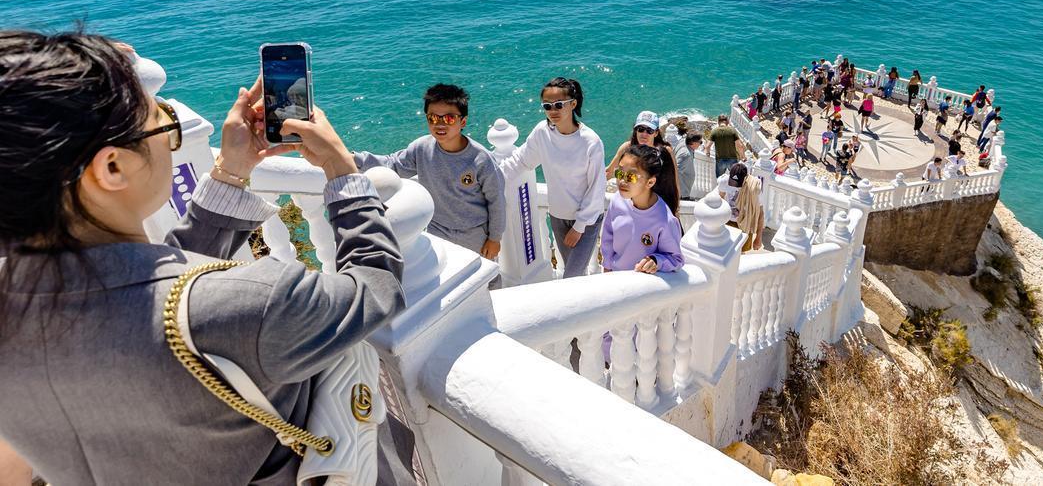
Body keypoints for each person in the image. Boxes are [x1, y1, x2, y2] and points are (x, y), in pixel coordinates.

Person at [0, 30, 410, 485]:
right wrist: (342, 172)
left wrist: (231, 172)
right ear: (112, 168)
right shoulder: (257, 304)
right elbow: (376, 288)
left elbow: (149, 290)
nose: (170, 136)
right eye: (163, 122)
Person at [354, 83, 505, 260]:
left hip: (474, 234)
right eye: (433, 118)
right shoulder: (421, 148)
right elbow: (392, 164)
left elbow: (497, 201)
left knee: (486, 279)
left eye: (448, 118)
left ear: (462, 121)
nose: (440, 124)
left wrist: (495, 238)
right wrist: (355, 159)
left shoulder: (481, 159)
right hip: (436, 229)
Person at [500, 77, 607, 278]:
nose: (553, 111)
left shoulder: (591, 141)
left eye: (559, 105)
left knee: (572, 276)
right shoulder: (542, 132)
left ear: (573, 104)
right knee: (573, 272)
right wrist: (490, 178)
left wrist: (579, 226)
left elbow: (596, 189)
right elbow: (520, 161)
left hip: (587, 220)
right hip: (558, 217)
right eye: (547, 106)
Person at [602, 145, 684, 274]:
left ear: (650, 182)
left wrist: (656, 261)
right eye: (619, 173)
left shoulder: (665, 220)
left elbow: (676, 259)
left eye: (631, 176)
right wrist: (607, 267)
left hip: (643, 288)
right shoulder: (617, 200)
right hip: (614, 279)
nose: (622, 180)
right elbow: (608, 236)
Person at [606, 110, 674, 179]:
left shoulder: (665, 152)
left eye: (649, 130)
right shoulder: (626, 148)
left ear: (656, 133)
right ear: (636, 131)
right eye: (641, 129)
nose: (644, 134)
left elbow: (674, 179)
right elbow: (609, 172)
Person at [721, 163, 765, 251]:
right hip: (727, 222)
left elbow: (760, 214)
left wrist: (758, 238)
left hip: (745, 225)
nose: (734, 185)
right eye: (732, 182)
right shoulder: (724, 181)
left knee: (741, 254)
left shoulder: (755, 188)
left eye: (737, 184)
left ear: (746, 178)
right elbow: (720, 200)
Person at [677, 134, 702, 200]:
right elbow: (677, 172)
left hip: (684, 191)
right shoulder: (686, 155)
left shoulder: (683, 143)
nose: (700, 144)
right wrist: (682, 192)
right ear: (693, 143)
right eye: (700, 142)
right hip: (682, 193)